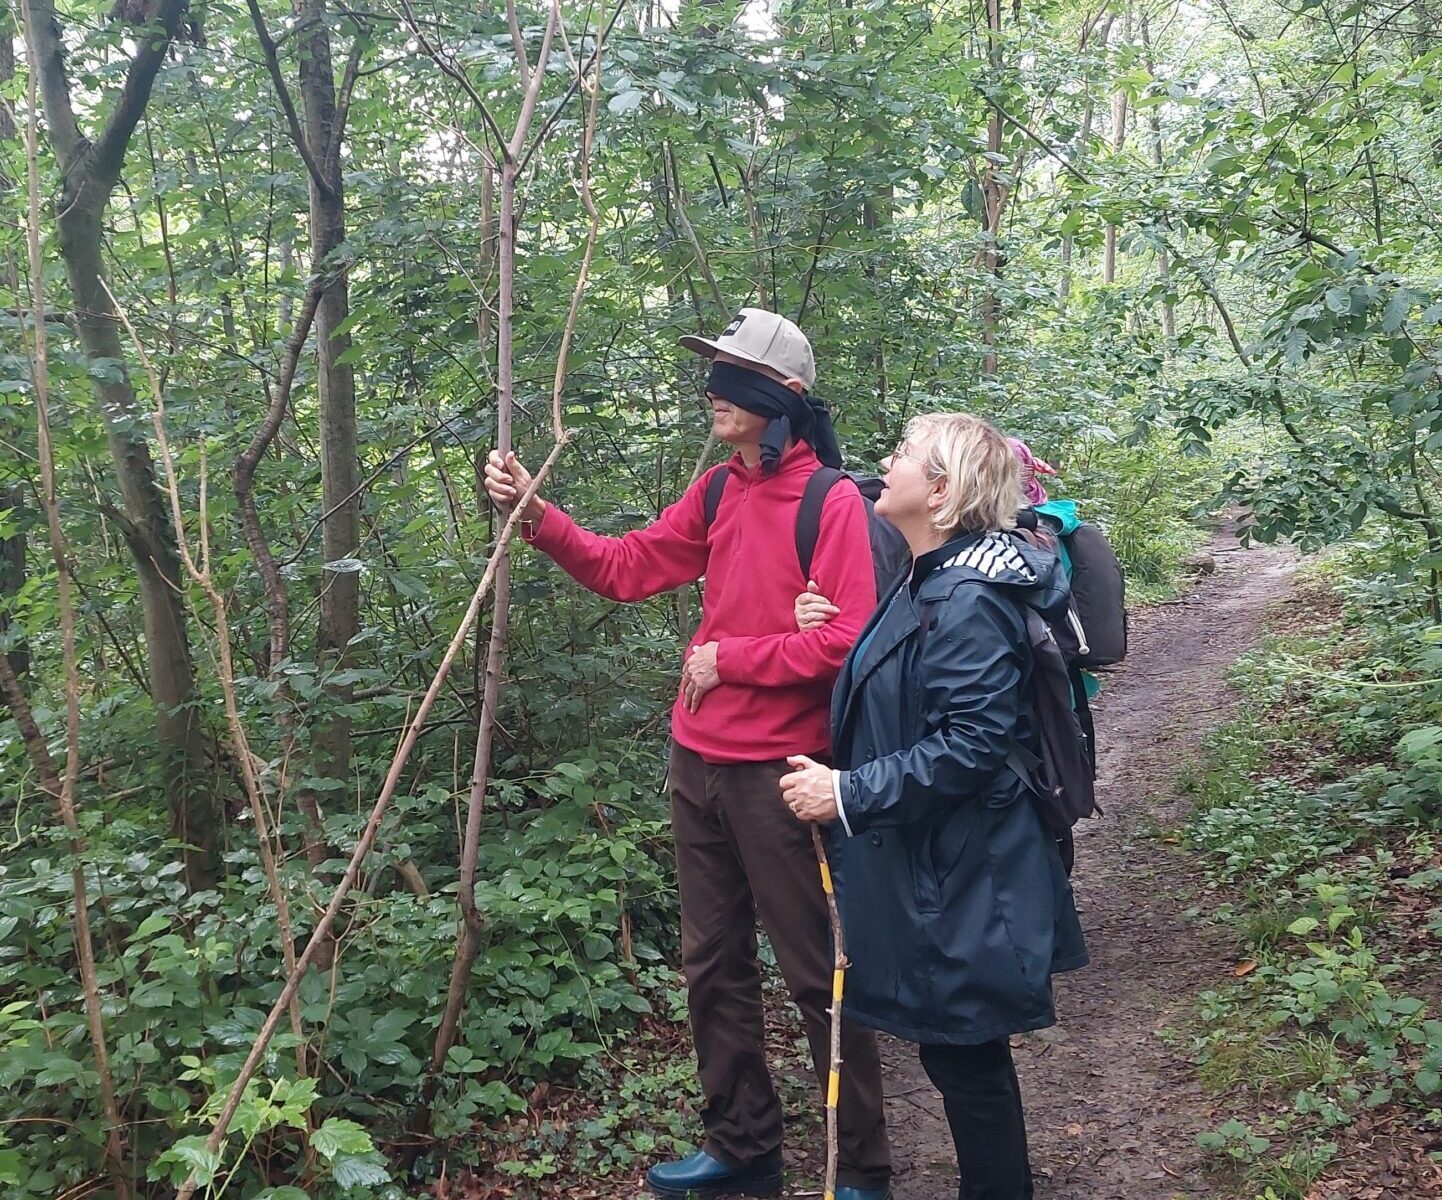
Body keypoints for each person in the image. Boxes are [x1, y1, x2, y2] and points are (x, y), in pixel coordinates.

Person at [483, 308, 892, 1200]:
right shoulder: (718, 491)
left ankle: (861, 1169)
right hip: (695, 763)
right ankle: (742, 1149)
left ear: (779, 396)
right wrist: (537, 514)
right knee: (711, 961)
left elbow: (848, 643)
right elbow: (626, 567)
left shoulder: (834, 505)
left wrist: (728, 658)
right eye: (710, 371)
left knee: (817, 970)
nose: (712, 389)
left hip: (783, 777)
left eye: (730, 374)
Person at [781, 413, 1088, 1200]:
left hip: (971, 867)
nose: (890, 461)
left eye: (907, 454)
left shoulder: (968, 595)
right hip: (947, 863)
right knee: (960, 1053)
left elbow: (970, 745)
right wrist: (838, 634)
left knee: (967, 1057)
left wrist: (845, 792)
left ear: (943, 489)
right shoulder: (930, 576)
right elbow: (911, 687)